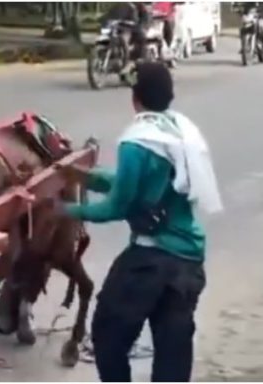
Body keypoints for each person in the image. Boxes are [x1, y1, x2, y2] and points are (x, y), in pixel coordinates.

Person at [57, 62, 222, 382]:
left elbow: (116, 207)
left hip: (150, 261)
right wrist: (87, 178)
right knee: (173, 351)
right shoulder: (179, 130)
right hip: (188, 261)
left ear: (135, 98)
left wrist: (65, 211)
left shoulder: (137, 141)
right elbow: (138, 183)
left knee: (107, 336)